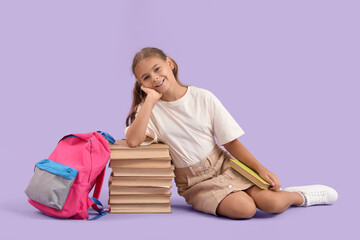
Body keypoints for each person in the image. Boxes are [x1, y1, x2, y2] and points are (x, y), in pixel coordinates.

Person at [124, 47, 338, 219]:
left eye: (157, 68)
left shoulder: (203, 97)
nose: (155, 77)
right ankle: (247, 195)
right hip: (195, 182)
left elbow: (230, 141)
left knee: (272, 204)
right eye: (146, 77)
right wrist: (150, 100)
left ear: (169, 63)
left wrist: (260, 168)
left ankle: (299, 195)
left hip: (225, 164)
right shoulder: (149, 111)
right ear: (141, 84)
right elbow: (133, 141)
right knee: (245, 209)